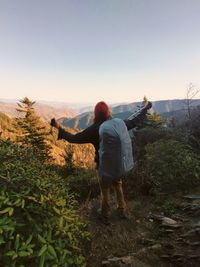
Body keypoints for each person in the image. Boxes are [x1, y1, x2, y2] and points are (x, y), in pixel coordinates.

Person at [51, 100, 152, 224]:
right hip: (118, 163)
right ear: (108, 112)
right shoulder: (118, 125)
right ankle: (122, 210)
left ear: (95, 114)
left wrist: (58, 127)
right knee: (118, 185)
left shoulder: (94, 129)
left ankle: (105, 215)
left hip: (104, 165)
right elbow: (134, 121)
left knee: (105, 190)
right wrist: (145, 109)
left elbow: (74, 138)